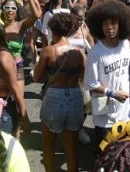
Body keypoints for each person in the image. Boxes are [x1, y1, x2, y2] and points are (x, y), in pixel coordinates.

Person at [34, 13, 86, 172]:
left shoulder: (49, 51)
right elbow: (84, 77)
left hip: (54, 96)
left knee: (48, 145)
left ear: (53, 30)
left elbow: (37, 77)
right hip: (75, 96)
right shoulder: (79, 51)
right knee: (71, 148)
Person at [83, 0, 130, 147]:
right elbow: (90, 84)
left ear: (121, 24)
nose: (109, 27)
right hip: (105, 117)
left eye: (113, 23)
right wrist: (113, 93)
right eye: (105, 23)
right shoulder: (96, 52)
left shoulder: (125, 45)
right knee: (105, 159)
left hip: (126, 114)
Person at [0, 15, 30, 136]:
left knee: (2, 152)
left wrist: (25, 119)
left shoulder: (3, 58)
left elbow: (15, 90)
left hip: (4, 114)